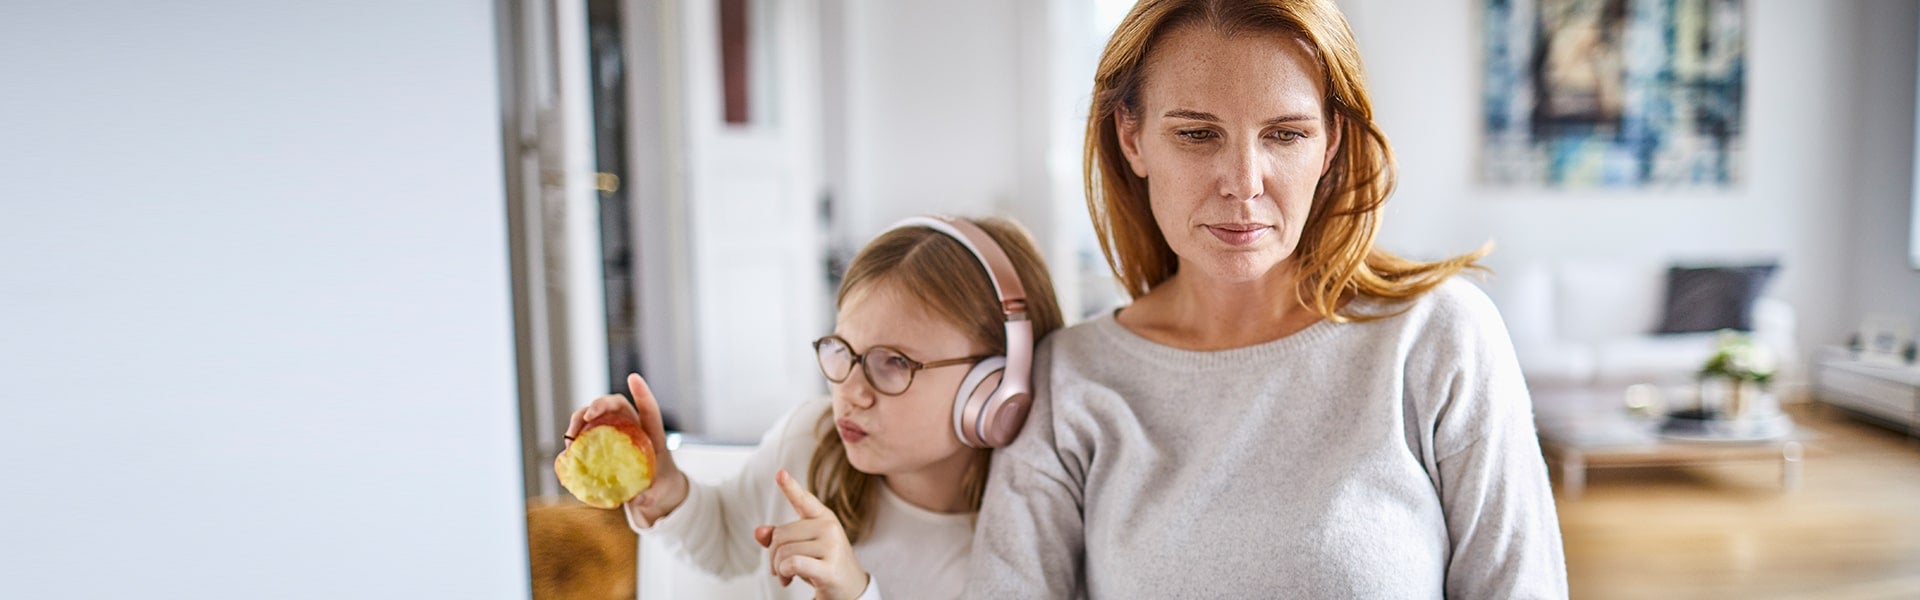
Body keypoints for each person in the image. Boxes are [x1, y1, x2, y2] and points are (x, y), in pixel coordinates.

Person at [965, 0, 1567, 598]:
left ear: (1330, 143)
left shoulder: (1438, 338)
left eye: (1285, 134)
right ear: (1132, 137)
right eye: (1198, 134)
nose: (1244, 183)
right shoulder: (1070, 378)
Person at [567, 216, 1065, 599]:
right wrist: (667, 490)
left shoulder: (1017, 548)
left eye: (893, 363)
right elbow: (724, 541)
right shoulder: (810, 441)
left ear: (997, 390)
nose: (850, 389)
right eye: (842, 351)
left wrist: (856, 593)